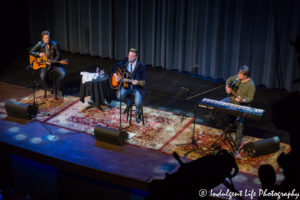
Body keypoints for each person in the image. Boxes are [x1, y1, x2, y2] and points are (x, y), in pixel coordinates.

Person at [223, 65, 256, 149]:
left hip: (243, 105)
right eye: (238, 73)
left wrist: (242, 100)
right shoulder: (237, 78)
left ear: (245, 76)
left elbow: (250, 98)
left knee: (239, 122)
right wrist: (227, 87)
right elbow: (228, 80)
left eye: (240, 74)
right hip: (233, 99)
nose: (238, 75)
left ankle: (237, 143)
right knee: (220, 104)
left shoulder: (251, 85)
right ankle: (228, 127)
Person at [112, 48, 146, 123]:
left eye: (132, 56)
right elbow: (115, 66)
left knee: (138, 102)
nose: (130, 58)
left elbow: (143, 81)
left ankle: (138, 113)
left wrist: (137, 82)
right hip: (127, 85)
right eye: (129, 55)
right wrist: (116, 75)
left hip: (137, 87)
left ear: (136, 57)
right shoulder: (125, 60)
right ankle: (129, 103)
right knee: (119, 95)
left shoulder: (141, 66)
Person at [30, 30, 66, 97]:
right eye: (46, 38)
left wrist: (51, 61)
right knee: (42, 76)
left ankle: (57, 88)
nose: (47, 40)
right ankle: (51, 86)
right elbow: (31, 51)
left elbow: (59, 56)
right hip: (45, 64)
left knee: (63, 74)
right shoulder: (40, 44)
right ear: (42, 39)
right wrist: (39, 54)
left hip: (55, 63)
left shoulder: (55, 44)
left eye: (48, 38)